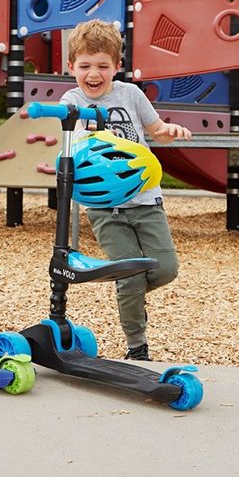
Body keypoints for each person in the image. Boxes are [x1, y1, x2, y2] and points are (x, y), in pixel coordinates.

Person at [59, 19, 192, 361]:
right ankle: (137, 344)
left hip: (146, 199)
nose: (94, 74)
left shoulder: (130, 94)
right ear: (71, 66)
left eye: (103, 66)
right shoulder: (72, 100)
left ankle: (129, 294)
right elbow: (74, 142)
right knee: (130, 277)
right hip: (106, 207)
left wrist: (169, 132)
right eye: (85, 66)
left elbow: (156, 129)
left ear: (117, 66)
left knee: (165, 269)